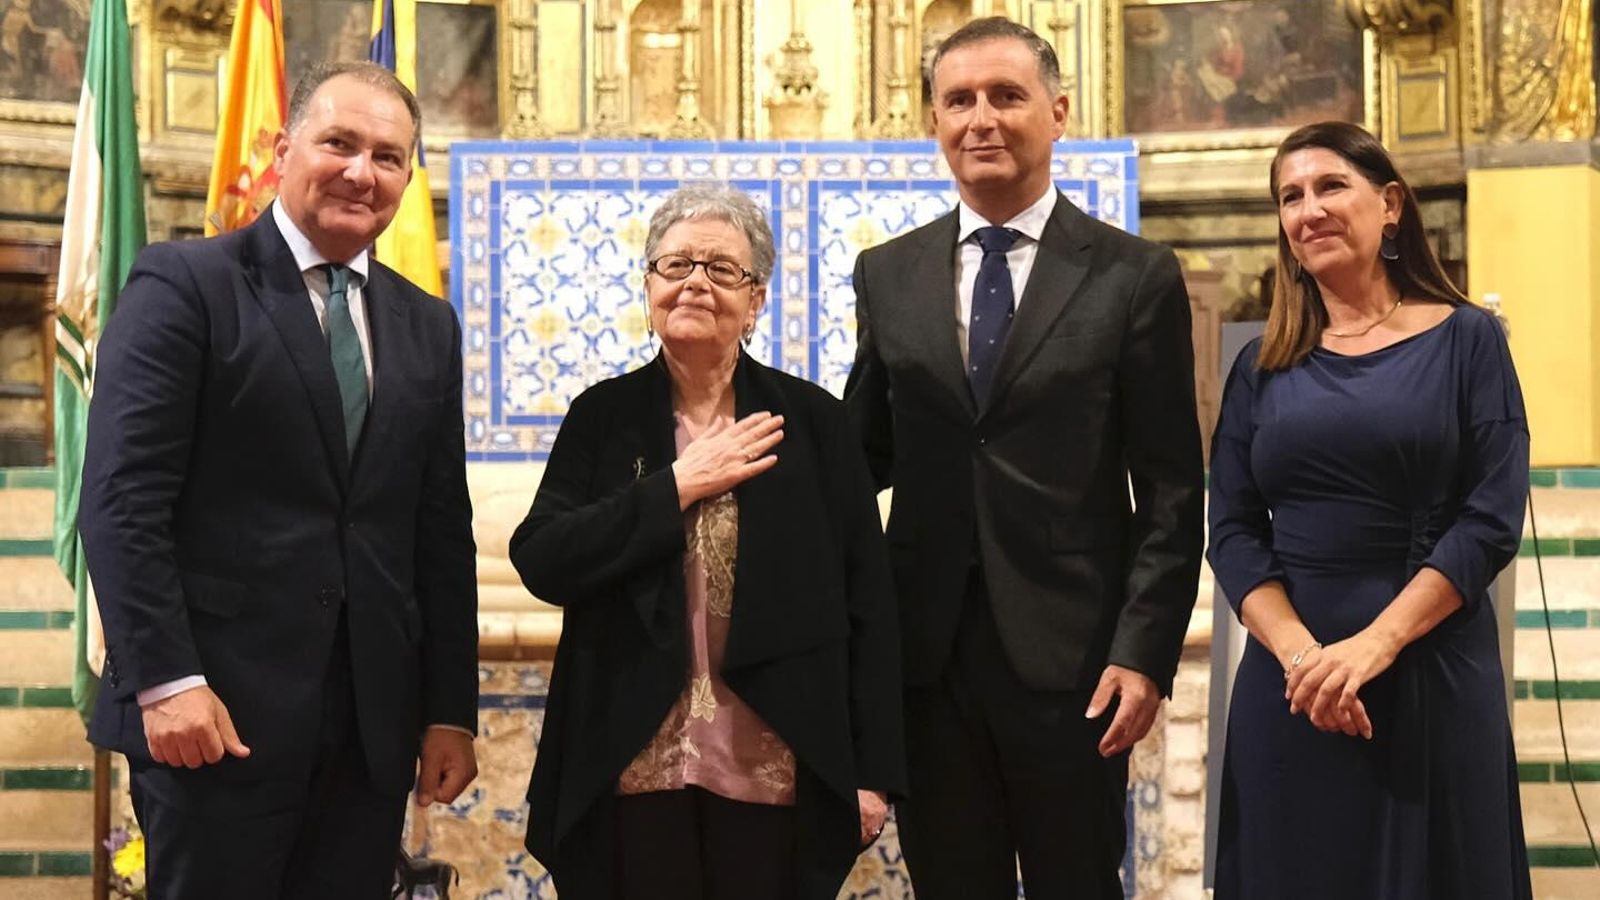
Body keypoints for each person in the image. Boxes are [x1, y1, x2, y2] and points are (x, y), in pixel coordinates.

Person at [78, 61, 479, 899]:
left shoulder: (427, 326)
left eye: (389, 156)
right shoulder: (184, 285)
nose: (361, 172)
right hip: (215, 720)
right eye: (339, 143)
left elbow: (438, 530)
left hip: (368, 735)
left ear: (409, 177)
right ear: (283, 147)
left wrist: (448, 710)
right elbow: (123, 498)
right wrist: (168, 681)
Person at [843, 17, 1204, 900]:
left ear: (1057, 111)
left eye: (1007, 96)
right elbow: (859, 457)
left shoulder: (1132, 277)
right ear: (934, 123)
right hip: (927, 660)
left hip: (1074, 659)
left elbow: (1169, 488)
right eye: (958, 100)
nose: (982, 119)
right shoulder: (887, 274)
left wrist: (1144, 651)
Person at [511, 184, 905, 900]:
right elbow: (542, 558)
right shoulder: (602, 416)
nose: (695, 280)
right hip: (629, 756)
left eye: (722, 269)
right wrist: (676, 486)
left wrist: (873, 773)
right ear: (650, 287)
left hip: (775, 760)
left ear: (756, 301)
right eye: (676, 265)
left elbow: (869, 605)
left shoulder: (814, 423)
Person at [1207, 121, 1532, 899]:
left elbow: (1489, 517)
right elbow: (1234, 530)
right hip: (1295, 688)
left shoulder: (1468, 340)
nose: (1308, 210)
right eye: (1290, 196)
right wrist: (1303, 659)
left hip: (1428, 671)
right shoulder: (1262, 363)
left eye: (1329, 187)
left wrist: (1372, 648)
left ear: (1390, 205)